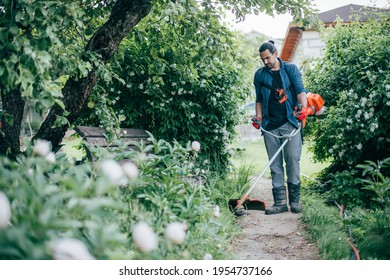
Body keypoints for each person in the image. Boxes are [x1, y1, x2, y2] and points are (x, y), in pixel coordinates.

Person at [253, 40, 308, 215]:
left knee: (292, 159)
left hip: (290, 123)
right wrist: (259, 118)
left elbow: (300, 91)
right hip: (270, 126)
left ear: (276, 53)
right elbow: (259, 100)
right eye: (263, 59)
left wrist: (303, 110)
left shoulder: (290, 69)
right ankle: (280, 203)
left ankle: (295, 201)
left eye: (268, 58)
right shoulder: (260, 75)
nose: (266, 62)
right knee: (275, 165)